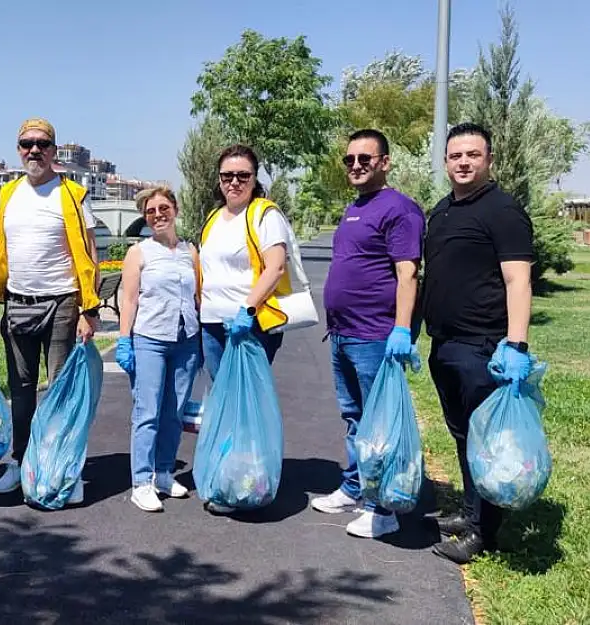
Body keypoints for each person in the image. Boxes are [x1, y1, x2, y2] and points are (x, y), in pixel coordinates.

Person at [422, 123, 534, 564]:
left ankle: (483, 533)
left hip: (484, 346)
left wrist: (517, 345)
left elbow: (518, 280)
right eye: (455, 156)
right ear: (446, 161)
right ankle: (471, 514)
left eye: (472, 155)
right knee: (463, 435)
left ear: (489, 159)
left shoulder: (502, 211)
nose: (463, 162)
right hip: (445, 343)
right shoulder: (442, 210)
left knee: (486, 441)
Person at [309, 129, 426, 539]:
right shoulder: (354, 207)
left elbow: (407, 273)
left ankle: (383, 508)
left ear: (385, 162)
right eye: (350, 160)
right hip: (343, 333)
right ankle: (355, 486)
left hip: (375, 335)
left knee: (380, 423)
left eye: (365, 158)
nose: (356, 165)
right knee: (354, 417)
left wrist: (401, 329)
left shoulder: (400, 209)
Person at [0, 118, 101, 502]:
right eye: (26, 144)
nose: (34, 151)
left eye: (42, 144)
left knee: (60, 390)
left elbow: (89, 252)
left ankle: (63, 467)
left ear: (54, 150)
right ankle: (19, 463)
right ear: (18, 150)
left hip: (62, 302)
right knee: (21, 390)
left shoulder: (72, 195)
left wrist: (90, 307)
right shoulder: (8, 194)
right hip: (18, 302)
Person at [115, 187, 200, 512]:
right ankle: (141, 482)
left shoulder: (189, 251)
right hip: (150, 338)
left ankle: (164, 472)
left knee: (174, 412)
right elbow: (130, 299)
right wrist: (124, 340)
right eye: (151, 211)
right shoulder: (140, 252)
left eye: (164, 208)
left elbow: (197, 297)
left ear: (175, 209)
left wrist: (202, 338)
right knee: (147, 412)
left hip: (186, 340)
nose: (158, 214)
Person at [197, 144, 292, 378]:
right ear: (219, 179)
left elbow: (276, 267)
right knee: (222, 396)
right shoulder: (213, 218)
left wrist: (247, 310)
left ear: (254, 179)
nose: (234, 182)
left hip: (249, 324)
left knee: (245, 400)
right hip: (211, 323)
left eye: (243, 175)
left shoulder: (265, 214)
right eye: (227, 176)